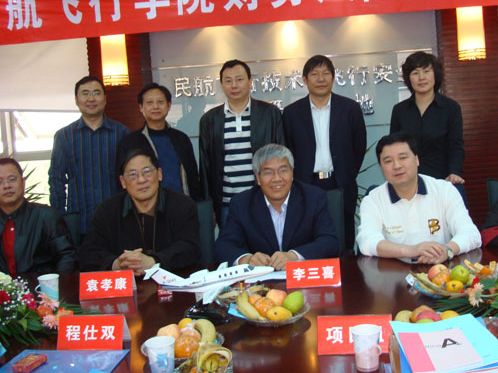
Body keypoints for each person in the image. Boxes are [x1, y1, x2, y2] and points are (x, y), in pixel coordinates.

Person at [283, 55, 366, 252]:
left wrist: (347, 173)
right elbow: (287, 149)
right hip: (305, 184)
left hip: (340, 183)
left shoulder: (350, 108)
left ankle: (346, 270)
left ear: (333, 77)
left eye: (326, 73)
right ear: (304, 79)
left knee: (343, 237)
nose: (321, 79)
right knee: (307, 237)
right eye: (315, 74)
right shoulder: (291, 113)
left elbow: (359, 146)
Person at [356, 132, 481, 263]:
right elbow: (367, 241)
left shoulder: (444, 190)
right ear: (381, 167)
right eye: (388, 161)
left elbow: (471, 234)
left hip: (439, 270)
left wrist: (447, 250)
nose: (397, 166)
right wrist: (411, 251)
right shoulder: (373, 200)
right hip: (394, 272)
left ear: (416, 160)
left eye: (403, 158)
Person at [214, 144, 339, 270]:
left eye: (283, 170)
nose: (277, 179)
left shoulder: (313, 198)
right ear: (258, 178)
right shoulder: (242, 204)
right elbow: (223, 246)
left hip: (301, 276)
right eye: (268, 172)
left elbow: (329, 241)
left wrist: (294, 256)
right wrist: (247, 259)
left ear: (292, 172)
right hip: (261, 279)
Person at [79, 148, 201, 275]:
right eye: (133, 175)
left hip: (174, 282)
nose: (141, 180)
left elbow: (190, 248)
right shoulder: (107, 211)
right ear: (123, 182)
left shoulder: (182, 205)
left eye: (147, 172)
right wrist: (117, 264)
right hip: (125, 284)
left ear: (159, 174)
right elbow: (88, 254)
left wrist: (153, 262)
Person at [199, 59, 285, 225]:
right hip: (227, 203)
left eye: (239, 79)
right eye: (228, 81)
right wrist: (209, 206)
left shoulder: (270, 114)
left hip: (264, 199)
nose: (234, 86)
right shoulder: (209, 120)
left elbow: (282, 158)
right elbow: (205, 166)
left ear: (250, 82)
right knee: (231, 241)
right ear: (221, 85)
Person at [49, 76, 130, 235]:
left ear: (105, 98)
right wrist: (59, 219)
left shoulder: (122, 133)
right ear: (76, 100)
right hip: (79, 222)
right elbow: (56, 179)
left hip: (118, 219)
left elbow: (130, 176)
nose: (91, 99)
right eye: (85, 93)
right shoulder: (64, 136)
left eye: (96, 93)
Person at [389, 51, 465, 199]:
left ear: (435, 75)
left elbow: (456, 145)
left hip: (442, 181)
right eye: (415, 73)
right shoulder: (399, 110)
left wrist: (454, 172)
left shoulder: (451, 108)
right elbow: (394, 148)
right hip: (408, 182)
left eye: (426, 71)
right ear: (408, 78)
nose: (421, 77)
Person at [116, 83, 202, 200]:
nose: (155, 106)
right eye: (149, 103)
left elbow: (193, 176)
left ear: (169, 105)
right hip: (147, 206)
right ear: (141, 107)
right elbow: (124, 180)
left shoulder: (181, 139)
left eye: (160, 102)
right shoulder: (130, 142)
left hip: (182, 205)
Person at [0, 158, 76, 275]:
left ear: (23, 182)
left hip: (41, 285)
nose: (6, 186)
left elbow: (67, 256)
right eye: (0, 182)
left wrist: (55, 283)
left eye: (12, 180)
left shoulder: (46, 216)